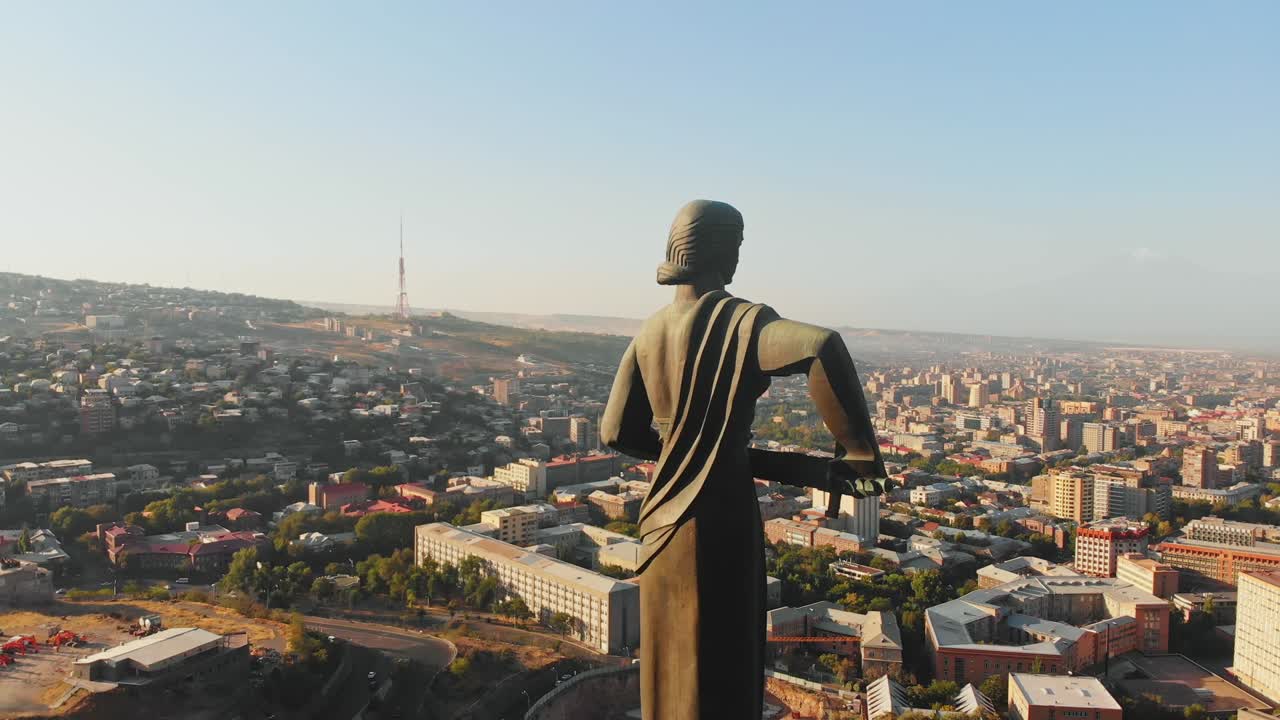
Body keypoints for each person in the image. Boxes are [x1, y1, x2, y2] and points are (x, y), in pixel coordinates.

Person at [601, 199, 888, 720]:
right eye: (735, 246)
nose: (736, 257)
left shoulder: (649, 331)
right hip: (719, 516)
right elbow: (820, 346)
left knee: (669, 665)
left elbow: (615, 431)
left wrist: (682, 455)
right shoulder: (740, 321)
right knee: (722, 659)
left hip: (660, 521)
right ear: (719, 252)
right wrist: (861, 458)